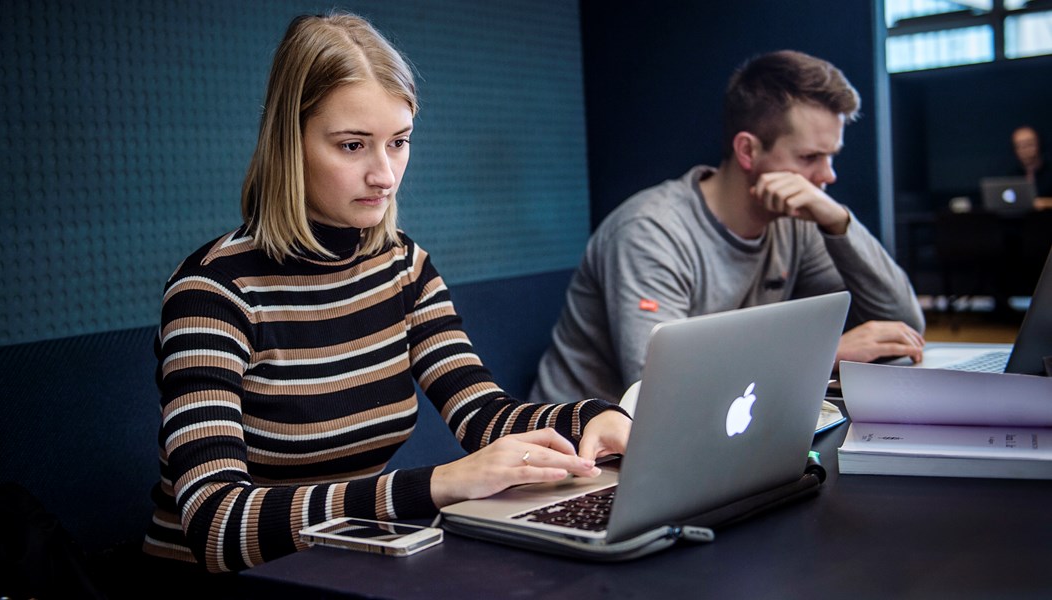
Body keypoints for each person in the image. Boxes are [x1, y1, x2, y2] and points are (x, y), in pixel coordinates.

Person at [139, 12, 631, 581]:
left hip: (343, 568)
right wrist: (439, 485)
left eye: (398, 143)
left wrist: (593, 418)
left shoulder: (403, 266)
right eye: (352, 145)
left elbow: (482, 412)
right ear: (288, 144)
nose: (385, 175)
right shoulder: (213, 291)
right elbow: (218, 526)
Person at [529, 50, 926, 406]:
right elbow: (665, 389)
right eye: (809, 157)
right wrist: (825, 354)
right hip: (580, 455)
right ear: (748, 151)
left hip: (715, 432)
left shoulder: (797, 222)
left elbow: (903, 325)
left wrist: (837, 222)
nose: (828, 176)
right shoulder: (650, 231)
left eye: (832, 157)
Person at [1011, 125, 1052, 210]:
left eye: (1029, 144)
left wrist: (1046, 202)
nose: (1025, 150)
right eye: (1019, 146)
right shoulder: (1012, 177)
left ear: (1039, 144)